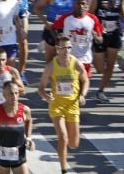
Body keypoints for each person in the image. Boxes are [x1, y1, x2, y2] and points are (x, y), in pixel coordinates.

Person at [38, 33, 89, 174]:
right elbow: (41, 88)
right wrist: (46, 97)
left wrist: (82, 95)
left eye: (69, 48)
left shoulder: (76, 63)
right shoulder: (51, 66)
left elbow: (85, 80)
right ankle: (63, 169)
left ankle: (64, 150)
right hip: (57, 105)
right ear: (57, 49)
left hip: (73, 104)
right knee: (63, 137)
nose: (66, 51)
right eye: (63, 48)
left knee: (74, 143)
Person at [0, 79, 35, 174]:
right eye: (11, 94)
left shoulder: (25, 110)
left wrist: (29, 137)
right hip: (2, 154)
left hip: (19, 153)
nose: (14, 97)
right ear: (4, 95)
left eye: (16, 93)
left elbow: (29, 121)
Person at [90, 0, 124, 102]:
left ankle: (101, 91)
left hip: (115, 34)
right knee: (100, 68)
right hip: (100, 35)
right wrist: (95, 29)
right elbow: (90, 14)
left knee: (110, 65)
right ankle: (100, 62)